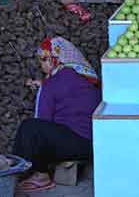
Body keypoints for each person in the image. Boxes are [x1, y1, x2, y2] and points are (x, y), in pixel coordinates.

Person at [14, 36, 101, 193]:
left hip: (75, 146)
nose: (41, 65)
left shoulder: (51, 85)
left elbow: (42, 119)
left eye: (43, 60)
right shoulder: (85, 79)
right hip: (95, 144)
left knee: (30, 128)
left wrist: (43, 89)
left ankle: (38, 174)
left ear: (54, 60)